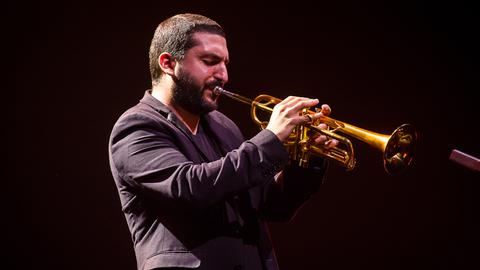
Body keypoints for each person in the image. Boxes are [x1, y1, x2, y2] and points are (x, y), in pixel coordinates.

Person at [108, 13, 337, 270]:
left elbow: (272, 206)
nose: (224, 75)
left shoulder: (223, 125)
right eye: (210, 62)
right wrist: (271, 138)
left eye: (225, 64)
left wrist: (307, 160)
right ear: (168, 63)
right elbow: (191, 187)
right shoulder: (136, 127)